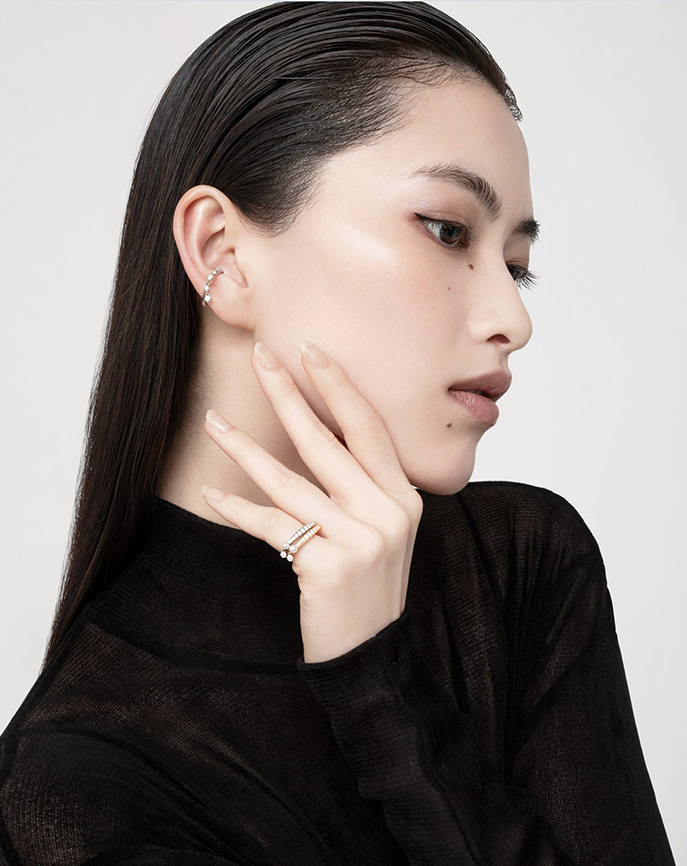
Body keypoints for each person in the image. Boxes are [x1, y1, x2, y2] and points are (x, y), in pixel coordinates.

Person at [0, 2, 676, 863]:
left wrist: (380, 680)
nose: (513, 319)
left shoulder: (520, 566)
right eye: (447, 231)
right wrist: (371, 680)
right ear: (222, 253)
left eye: (516, 267)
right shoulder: (74, 784)